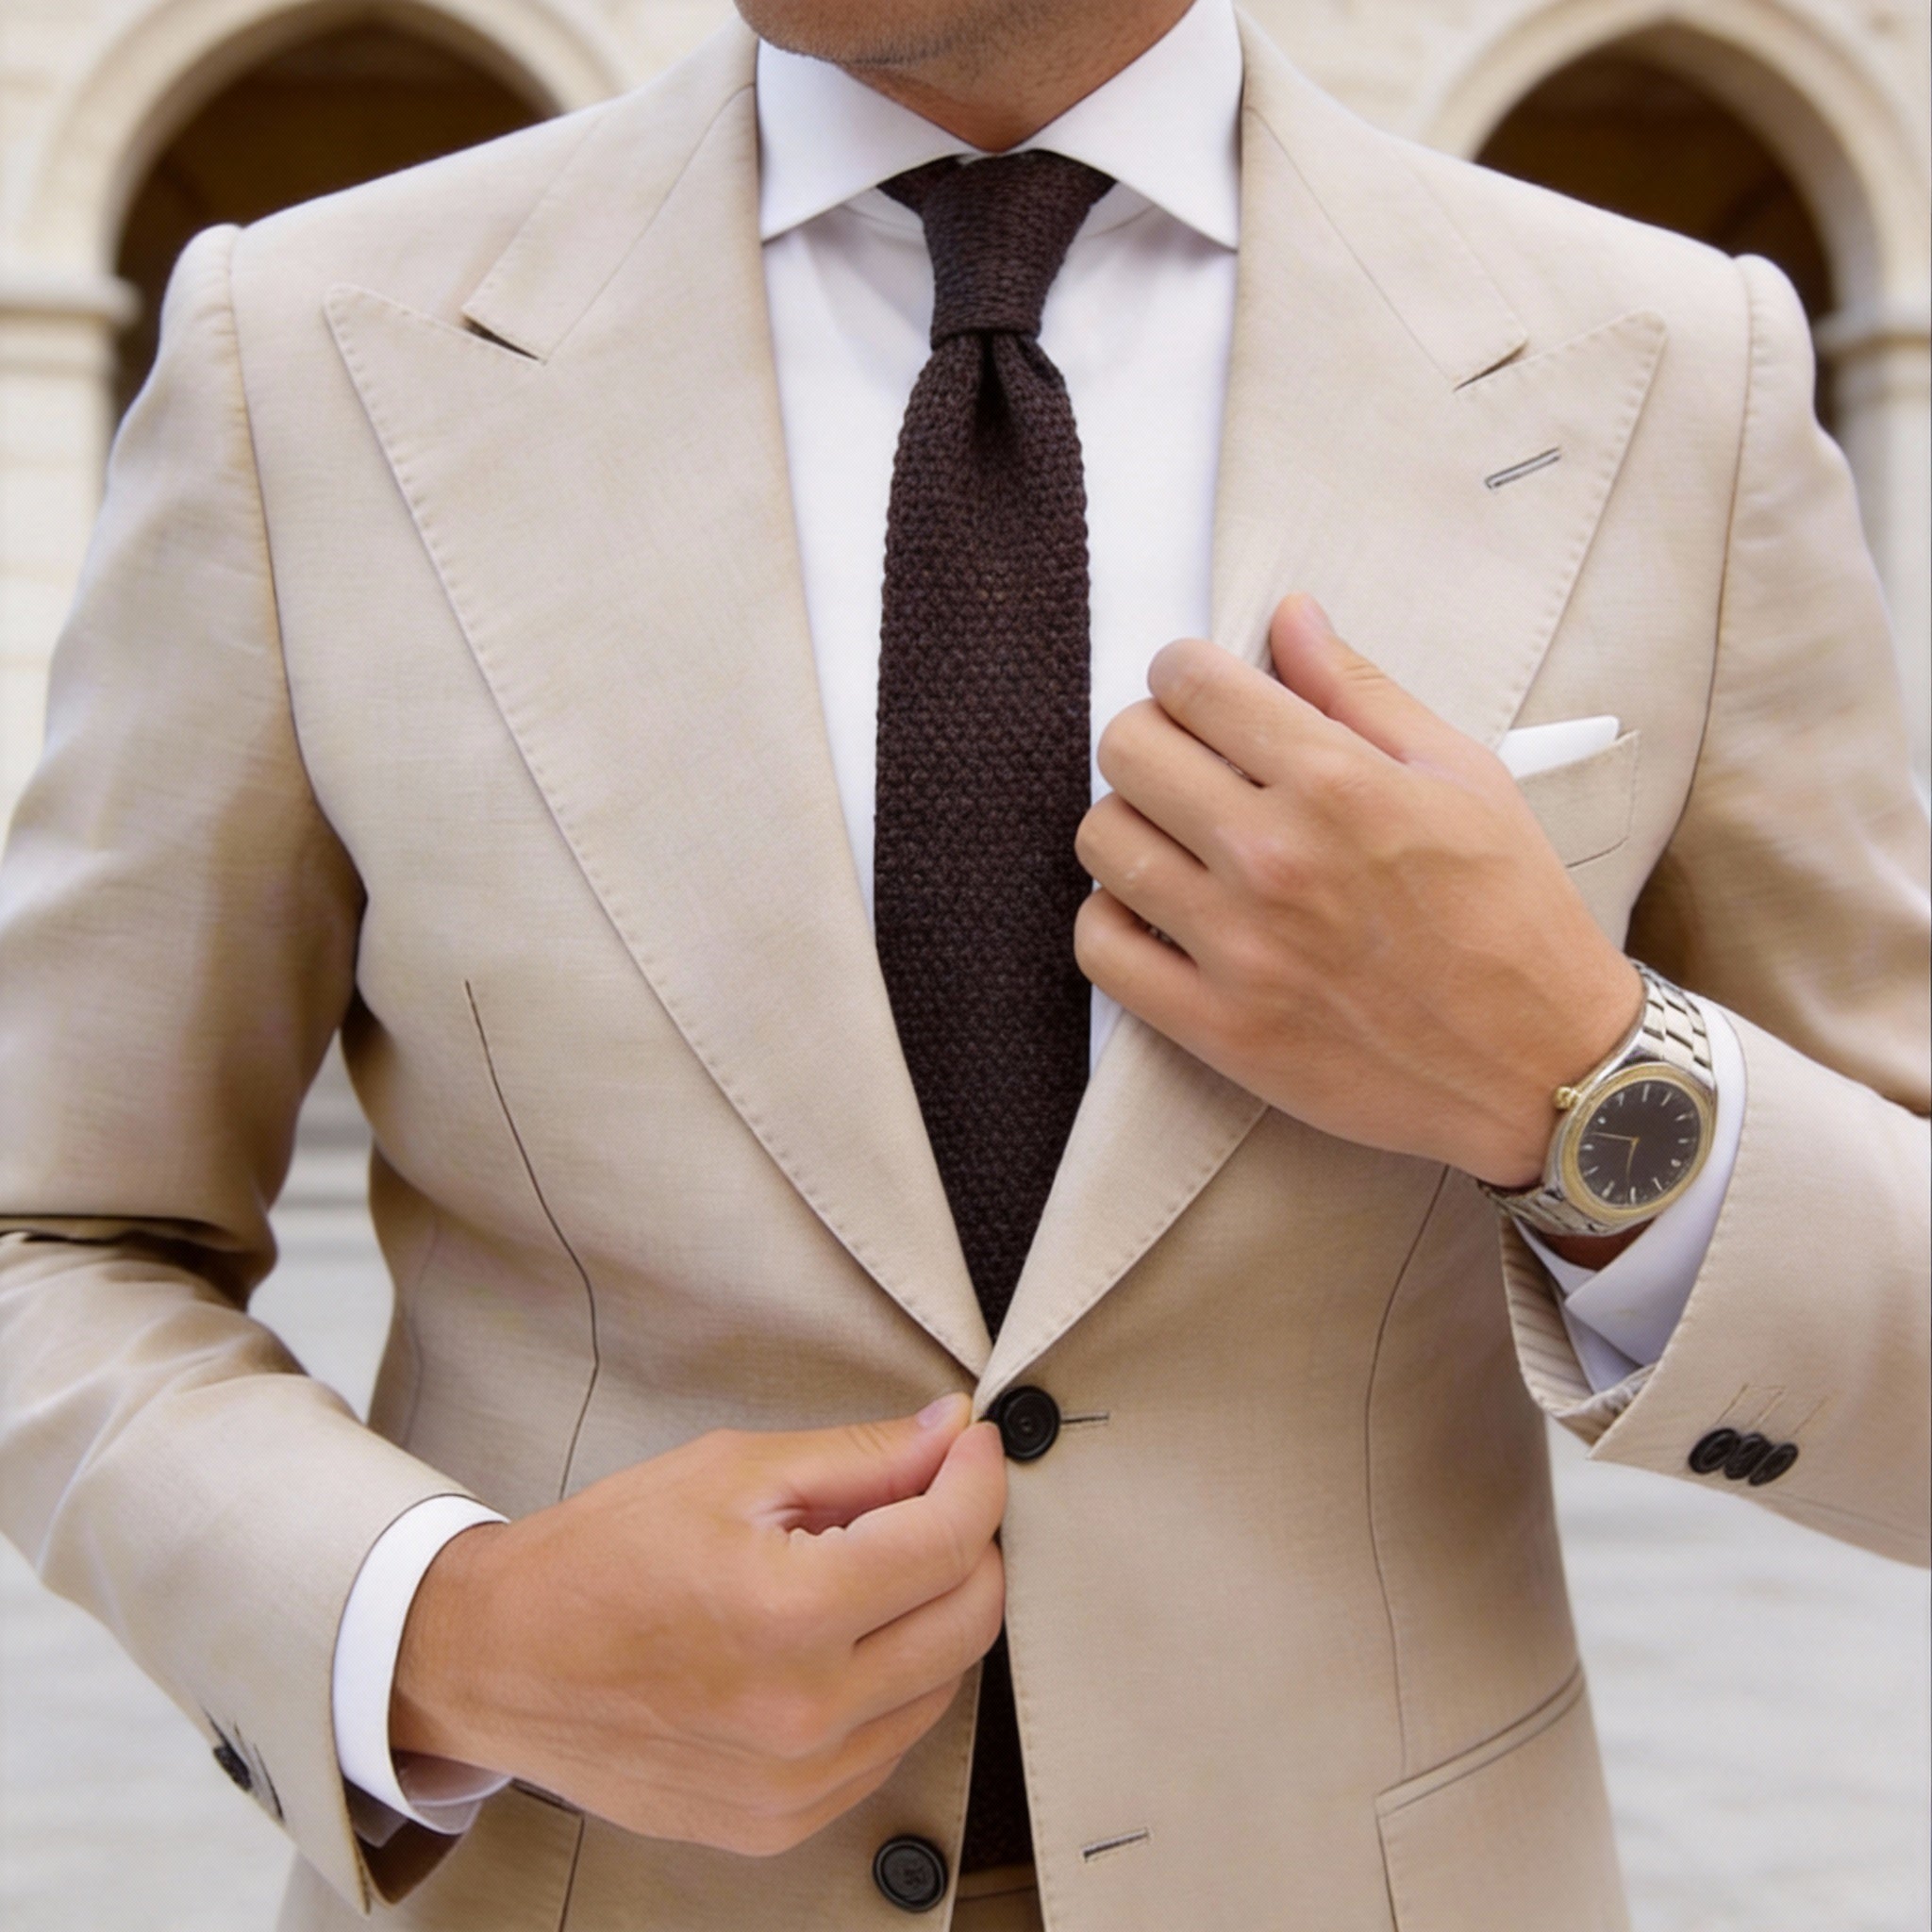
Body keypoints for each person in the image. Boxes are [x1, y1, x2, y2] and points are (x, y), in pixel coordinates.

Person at [0, 0, 1924, 1926]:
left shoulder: (1676, 372)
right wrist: (444, 1627)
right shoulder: (307, 347)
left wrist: (1584, 1085)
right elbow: (51, 1232)